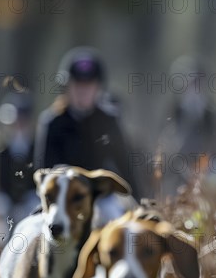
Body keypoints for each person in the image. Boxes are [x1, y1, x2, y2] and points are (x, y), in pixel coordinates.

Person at [34, 46, 146, 200]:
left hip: (102, 199)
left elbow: (126, 167)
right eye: (77, 85)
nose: (83, 91)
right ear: (66, 88)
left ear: (98, 88)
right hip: (62, 200)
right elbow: (44, 172)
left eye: (88, 86)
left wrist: (141, 201)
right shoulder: (53, 123)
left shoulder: (109, 120)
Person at [0, 90, 39, 248]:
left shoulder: (36, 147)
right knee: (0, 236)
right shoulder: (1, 149)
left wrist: (31, 200)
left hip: (30, 204)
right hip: (8, 207)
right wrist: (2, 204)